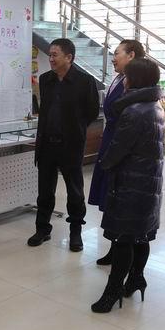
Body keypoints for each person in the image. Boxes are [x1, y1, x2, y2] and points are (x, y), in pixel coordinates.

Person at [90, 58, 165, 313]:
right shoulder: (155, 105)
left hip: (130, 183)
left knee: (123, 239)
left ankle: (112, 292)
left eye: (127, 77)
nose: (124, 82)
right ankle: (136, 279)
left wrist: (104, 164)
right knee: (140, 235)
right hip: (148, 182)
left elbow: (117, 150)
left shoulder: (134, 111)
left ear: (135, 80)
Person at [27, 38, 99, 252]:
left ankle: (75, 232)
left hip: (70, 146)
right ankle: (42, 229)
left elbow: (92, 112)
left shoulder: (85, 81)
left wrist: (75, 129)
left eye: (54, 55)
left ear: (69, 57)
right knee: (44, 192)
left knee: (75, 193)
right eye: (49, 55)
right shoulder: (45, 79)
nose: (50, 59)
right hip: (47, 145)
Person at [89, 39, 145, 266]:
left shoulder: (136, 84)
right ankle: (114, 247)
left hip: (121, 143)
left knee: (118, 197)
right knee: (110, 197)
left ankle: (122, 251)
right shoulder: (120, 78)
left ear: (131, 55)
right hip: (111, 139)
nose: (113, 58)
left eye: (117, 53)